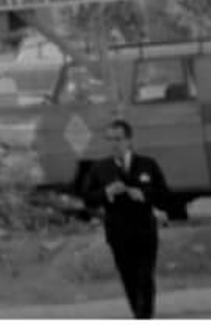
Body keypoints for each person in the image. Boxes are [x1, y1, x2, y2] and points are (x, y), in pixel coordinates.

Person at [84, 116, 175, 317]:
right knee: (129, 277)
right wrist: (107, 192)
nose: (114, 144)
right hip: (118, 232)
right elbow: (88, 199)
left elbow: (165, 196)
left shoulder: (147, 164)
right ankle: (138, 313)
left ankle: (145, 316)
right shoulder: (100, 168)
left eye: (118, 139)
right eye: (110, 139)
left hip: (144, 230)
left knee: (145, 276)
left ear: (129, 140)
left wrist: (142, 195)